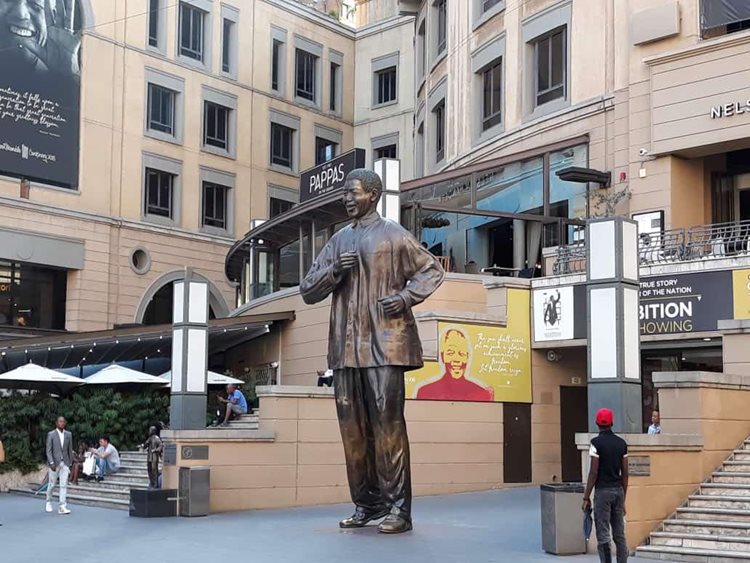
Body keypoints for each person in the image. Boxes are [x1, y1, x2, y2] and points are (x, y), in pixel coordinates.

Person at [300, 169, 445, 534]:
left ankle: (399, 509)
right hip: (346, 350)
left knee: (388, 429)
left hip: (385, 346)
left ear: (373, 195)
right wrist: (335, 270)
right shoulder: (338, 241)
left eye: (353, 193)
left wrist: (404, 297)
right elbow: (307, 289)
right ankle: (367, 504)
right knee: (352, 432)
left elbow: (431, 269)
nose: (347, 199)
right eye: (344, 195)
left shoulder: (394, 234)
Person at [583, 408, 629, 563]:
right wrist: (623, 499)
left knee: (603, 533)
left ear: (597, 423)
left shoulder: (595, 443)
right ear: (612, 423)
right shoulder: (621, 444)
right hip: (618, 491)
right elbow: (625, 473)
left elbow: (593, 472)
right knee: (619, 534)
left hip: (602, 492)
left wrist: (586, 496)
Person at [415, 328, 494, 402]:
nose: (457, 359)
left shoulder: (482, 394)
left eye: (461, 354)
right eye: (451, 353)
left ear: (467, 357)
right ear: (443, 357)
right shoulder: (425, 393)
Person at [45, 415, 73, 514]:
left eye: (63, 422)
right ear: (56, 423)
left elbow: (70, 449)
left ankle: (62, 506)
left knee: (63, 485)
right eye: (60, 422)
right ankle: (48, 501)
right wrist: (51, 462)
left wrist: (70, 463)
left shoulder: (68, 434)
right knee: (52, 484)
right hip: (54, 463)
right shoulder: (51, 434)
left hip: (65, 463)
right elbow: (48, 450)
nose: (62, 423)